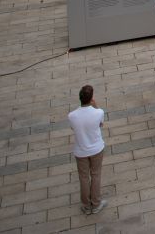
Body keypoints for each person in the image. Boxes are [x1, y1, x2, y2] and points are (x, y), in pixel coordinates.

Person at [68, 84, 107, 215]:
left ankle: (85, 205)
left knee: (84, 178)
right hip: (96, 149)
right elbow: (101, 123)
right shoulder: (98, 112)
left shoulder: (72, 116)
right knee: (96, 175)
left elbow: (74, 128)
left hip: (81, 151)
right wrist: (95, 105)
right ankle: (96, 203)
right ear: (91, 98)